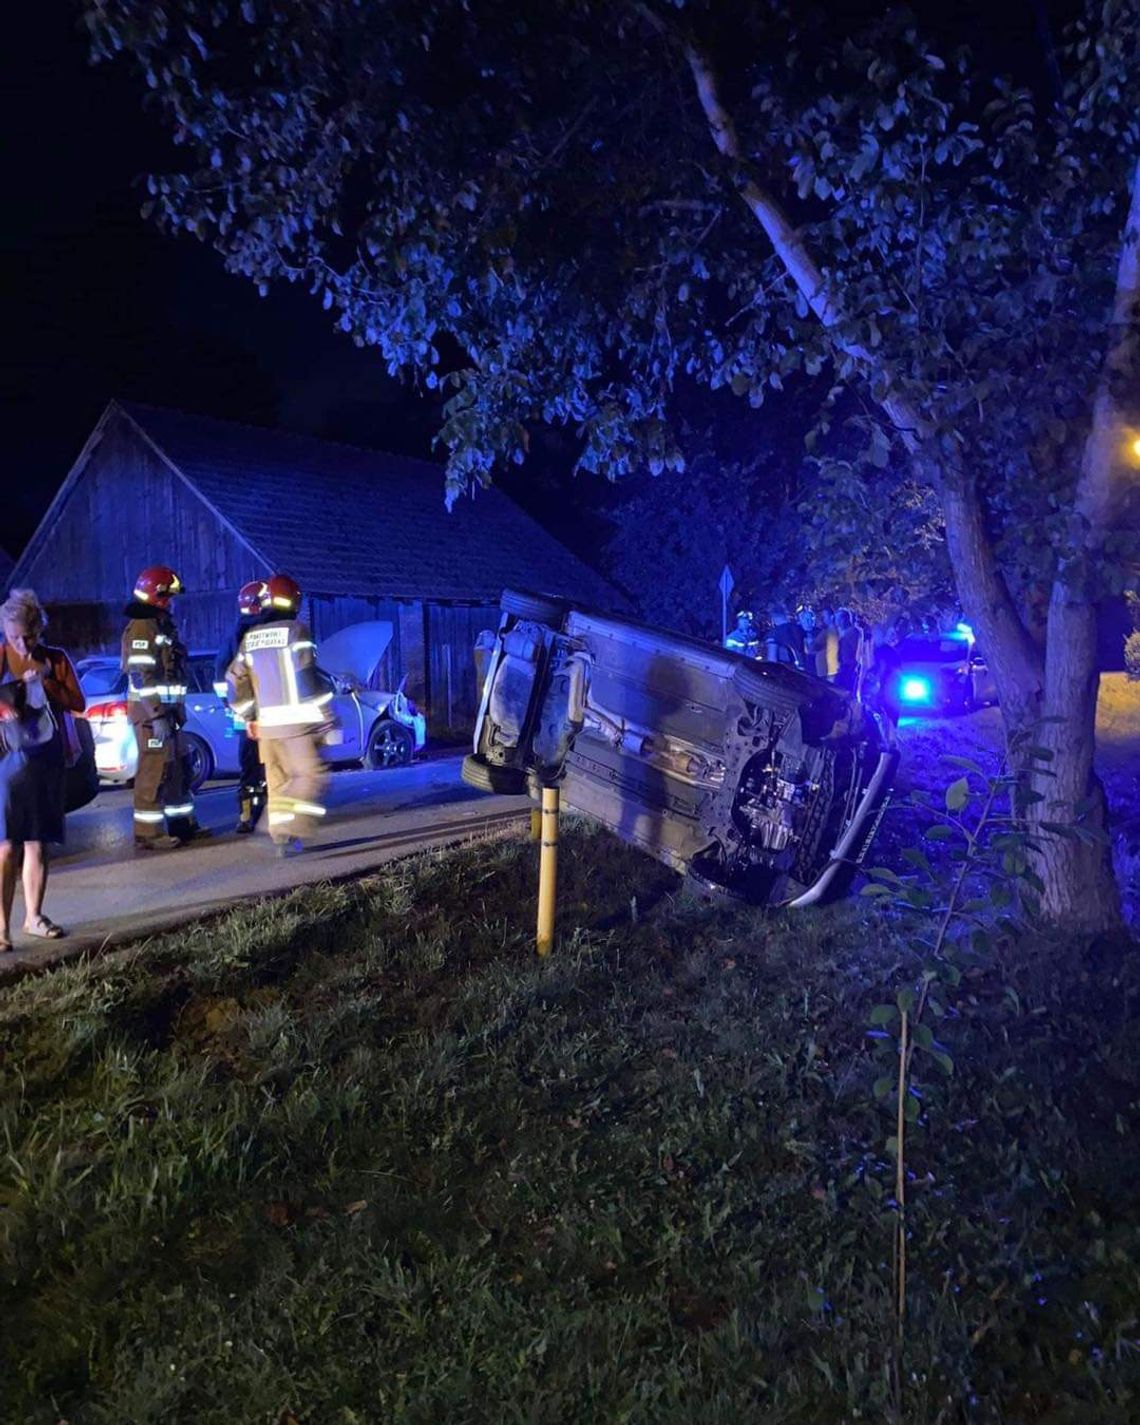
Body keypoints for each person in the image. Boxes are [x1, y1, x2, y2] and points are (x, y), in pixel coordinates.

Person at [0, 588, 85, 949]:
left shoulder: (56, 659)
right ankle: (0, 929)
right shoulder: (1, 658)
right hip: (6, 764)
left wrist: (46, 678)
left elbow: (77, 703)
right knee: (5, 846)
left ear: (40, 630)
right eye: (13, 635)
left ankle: (33, 917)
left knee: (37, 841)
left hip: (46, 762)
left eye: (28, 635)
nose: (21, 643)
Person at [226, 573, 333, 857]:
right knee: (312, 777)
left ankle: (281, 840)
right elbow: (306, 677)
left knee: (278, 782)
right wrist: (326, 715)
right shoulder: (297, 632)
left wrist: (249, 715)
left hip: (267, 729)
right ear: (295, 601)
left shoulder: (250, 639)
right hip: (296, 725)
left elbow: (234, 681)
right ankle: (282, 825)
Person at [122, 564, 205, 850]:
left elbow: (172, 671)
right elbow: (141, 675)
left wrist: (174, 710)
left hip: (168, 714)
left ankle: (183, 826)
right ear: (153, 595)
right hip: (151, 716)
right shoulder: (142, 627)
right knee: (154, 770)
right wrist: (156, 714)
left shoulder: (161, 624)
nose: (170, 602)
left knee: (179, 770)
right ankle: (148, 833)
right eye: (166, 596)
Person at [215, 580, 270, 834]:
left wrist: (231, 705)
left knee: (249, 769)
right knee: (270, 766)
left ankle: (247, 816)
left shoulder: (233, 636)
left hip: (243, 716)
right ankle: (266, 814)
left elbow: (221, 675)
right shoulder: (264, 633)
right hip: (265, 714)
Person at [834, 607, 863, 691]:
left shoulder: (852, 633)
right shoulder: (844, 633)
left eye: (837, 619)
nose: (836, 622)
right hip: (844, 666)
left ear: (843, 619)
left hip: (849, 668)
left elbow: (857, 651)